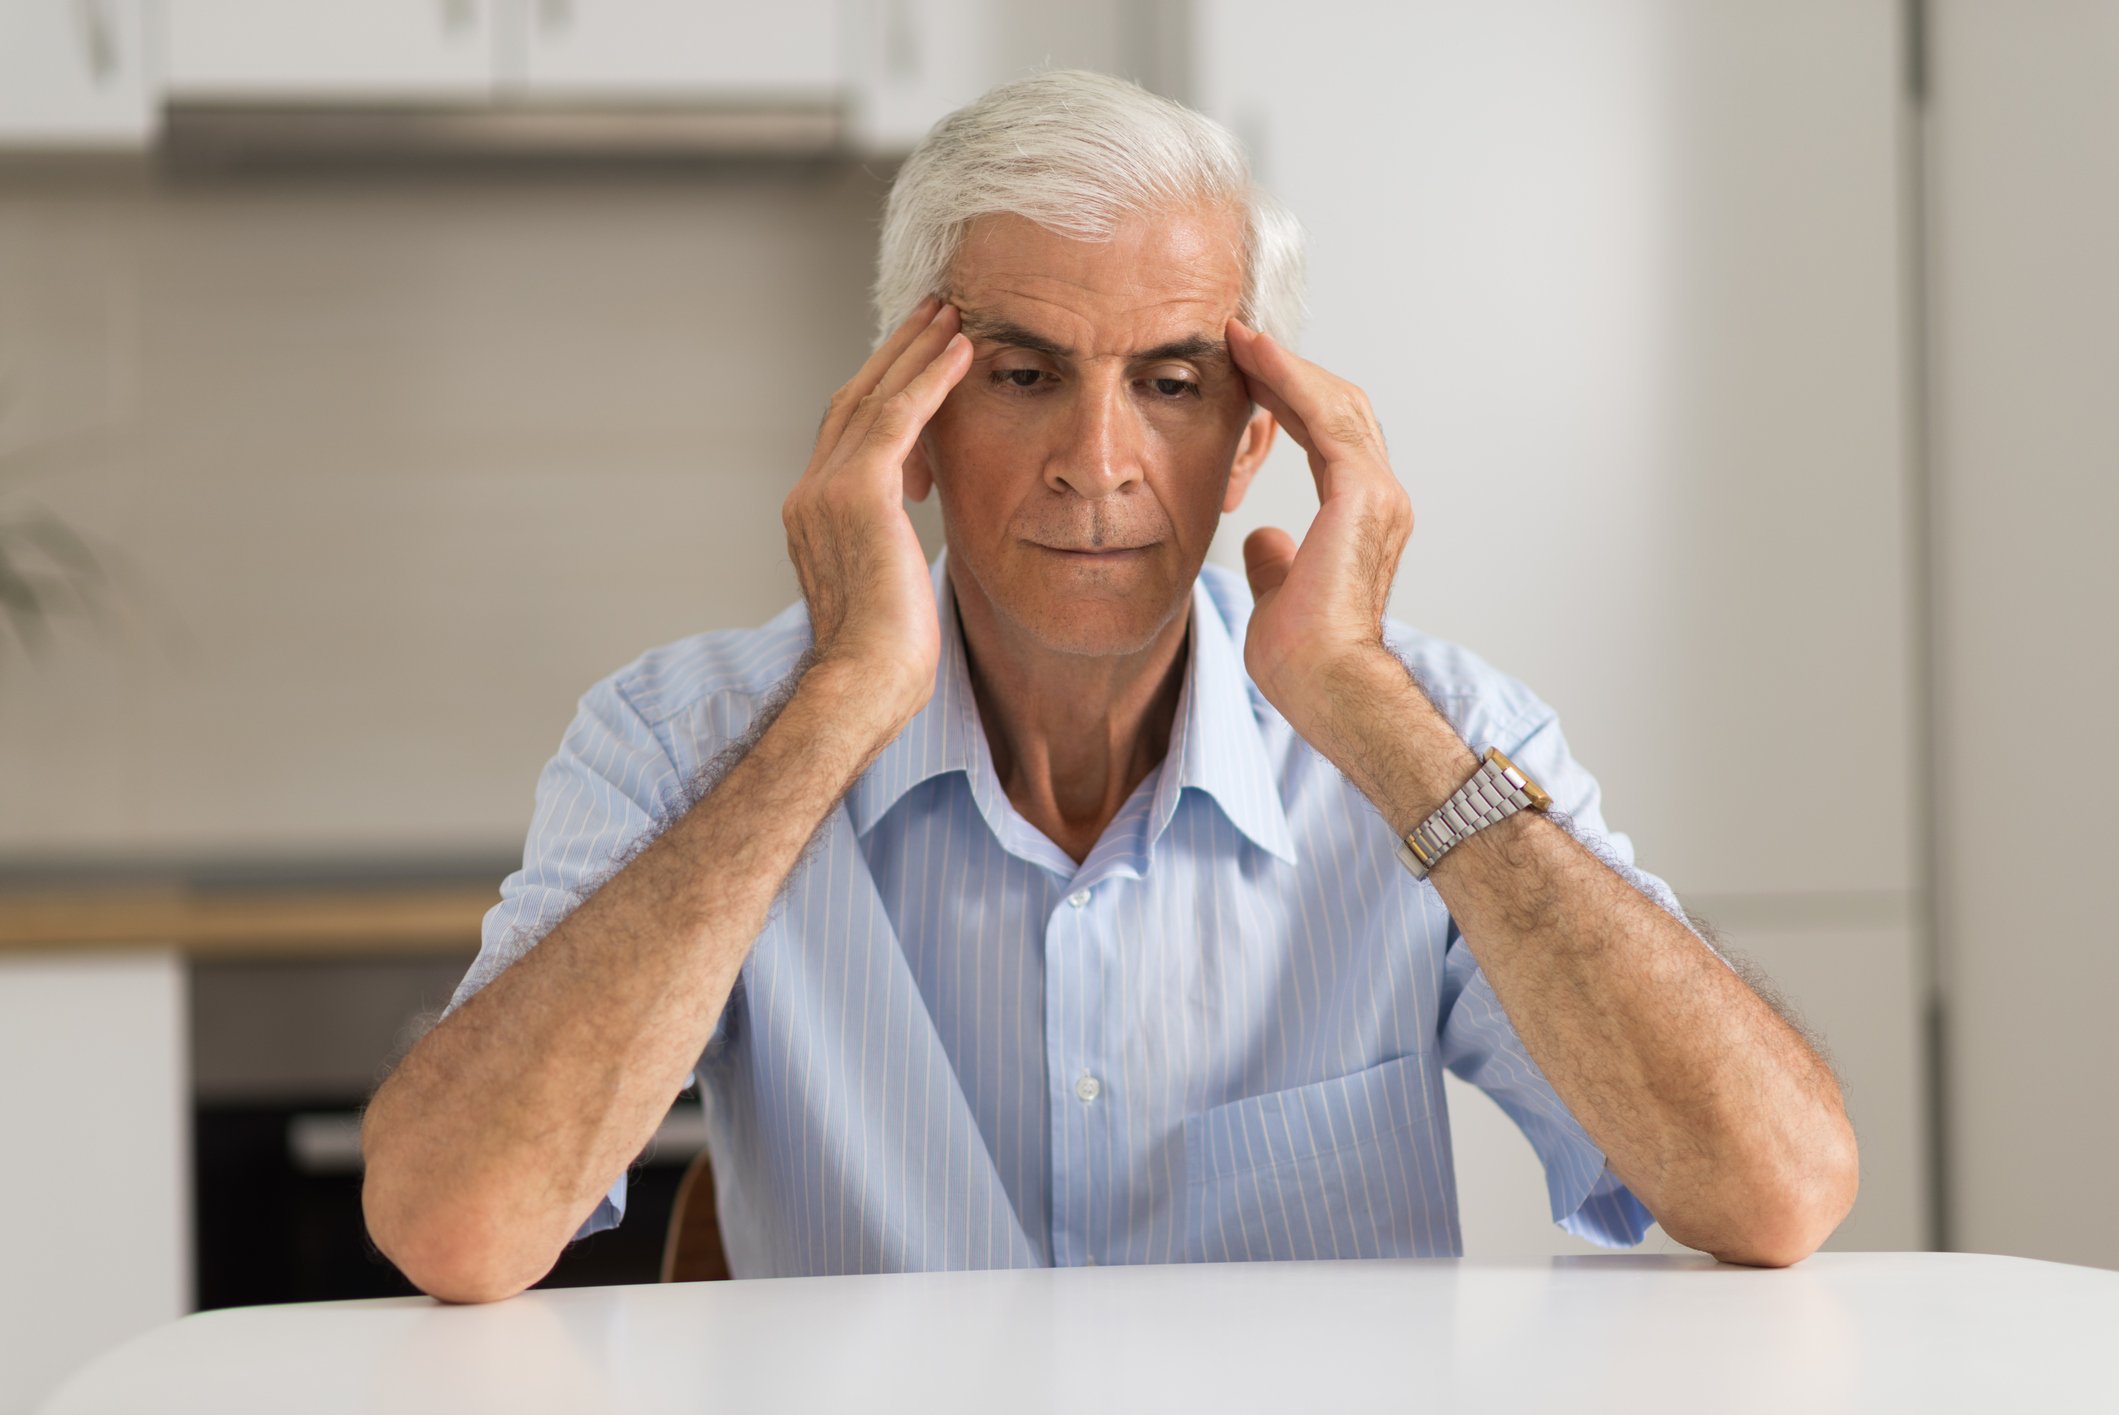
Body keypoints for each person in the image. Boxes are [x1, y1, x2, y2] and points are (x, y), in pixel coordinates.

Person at [361, 70, 1857, 1304]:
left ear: (1257, 437)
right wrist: (837, 703)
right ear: (911, 423)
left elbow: (1774, 1188)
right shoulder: (679, 736)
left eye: (1171, 381)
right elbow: (456, 1225)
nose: (1099, 459)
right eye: (1021, 377)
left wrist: (1376, 720)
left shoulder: (1434, 735)